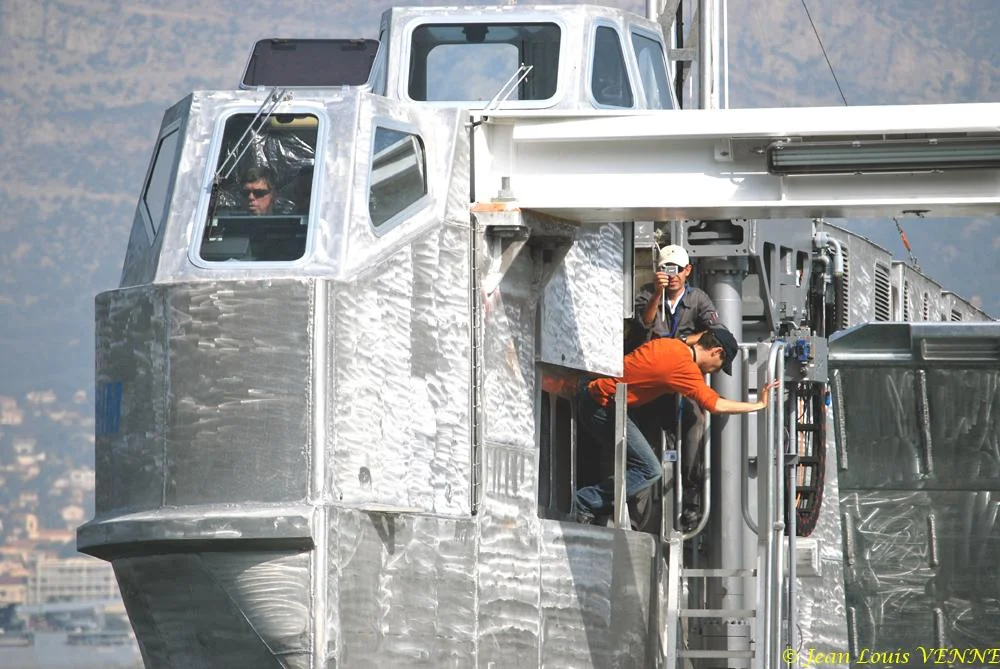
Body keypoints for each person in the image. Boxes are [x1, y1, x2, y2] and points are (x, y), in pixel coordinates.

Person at [573, 326, 779, 526]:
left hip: (595, 394)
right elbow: (715, 405)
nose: (715, 371)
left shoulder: (673, 345)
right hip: (602, 404)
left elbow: (691, 340)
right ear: (716, 351)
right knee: (649, 469)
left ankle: (597, 506)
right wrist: (758, 405)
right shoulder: (685, 369)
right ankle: (586, 501)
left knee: (634, 462)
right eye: (720, 365)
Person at [628, 244, 722, 525]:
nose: (672, 275)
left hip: (680, 377)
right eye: (666, 269)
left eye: (677, 270)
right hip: (649, 380)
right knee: (643, 442)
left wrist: (684, 343)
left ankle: (691, 500)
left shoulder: (699, 300)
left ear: (687, 271)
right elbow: (642, 325)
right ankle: (636, 512)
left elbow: (716, 332)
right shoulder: (647, 293)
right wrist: (657, 293)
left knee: (695, 423)